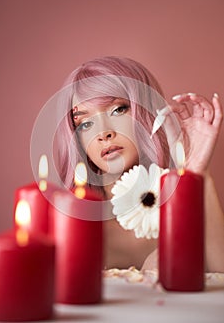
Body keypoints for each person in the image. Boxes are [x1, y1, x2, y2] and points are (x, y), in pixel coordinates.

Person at [56, 56, 224, 272]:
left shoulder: (181, 211)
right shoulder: (71, 225)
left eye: (118, 109)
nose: (103, 133)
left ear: (147, 112)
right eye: (85, 123)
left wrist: (196, 175)